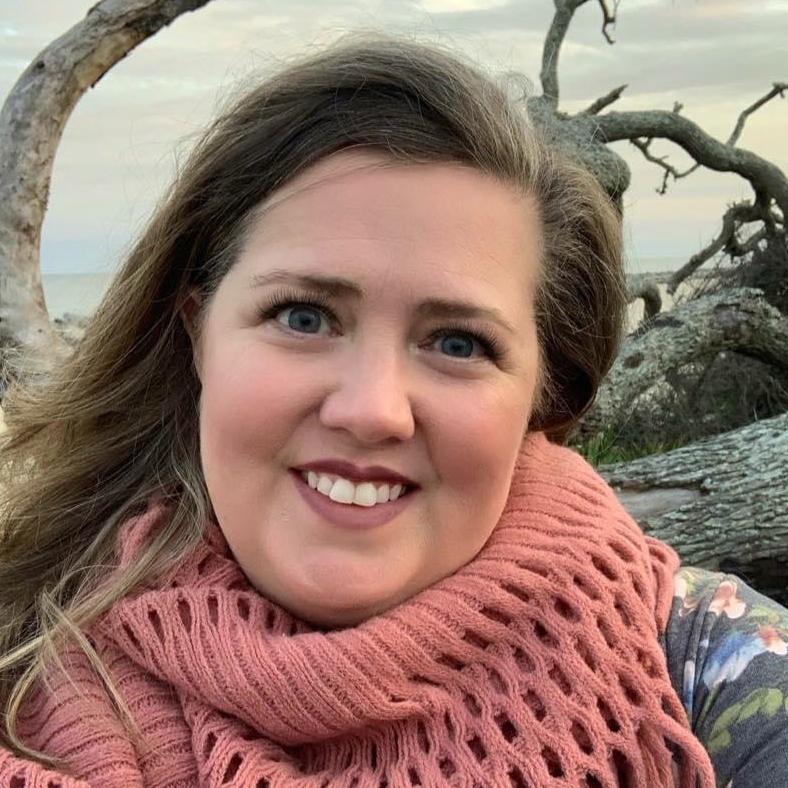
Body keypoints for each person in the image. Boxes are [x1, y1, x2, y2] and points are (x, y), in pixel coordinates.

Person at [0, 34, 785, 788]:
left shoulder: (701, 667)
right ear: (197, 335)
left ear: (544, 400)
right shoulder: (21, 655)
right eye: (304, 317)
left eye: (457, 343)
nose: (372, 411)